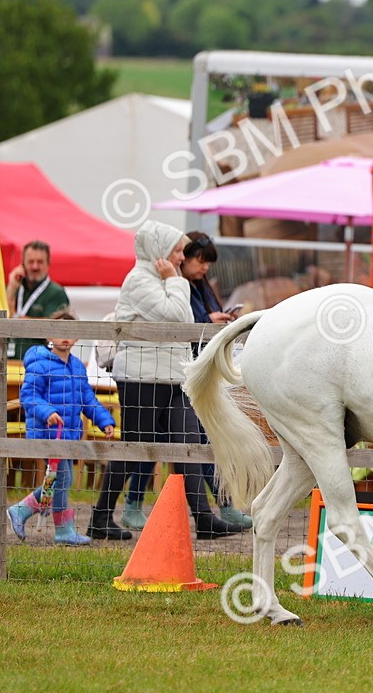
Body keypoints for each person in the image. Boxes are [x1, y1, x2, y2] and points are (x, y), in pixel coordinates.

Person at [87, 220, 244, 540]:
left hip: (174, 375)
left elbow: (183, 318)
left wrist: (173, 281)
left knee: (189, 444)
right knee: (134, 446)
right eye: (175, 251)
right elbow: (176, 315)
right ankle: (100, 518)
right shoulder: (139, 280)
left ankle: (203, 519)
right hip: (142, 378)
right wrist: (175, 280)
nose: (180, 257)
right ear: (158, 251)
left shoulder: (163, 280)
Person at [7, 310, 115, 545]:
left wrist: (104, 420)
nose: (65, 338)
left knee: (59, 480)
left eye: (70, 333)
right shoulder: (39, 363)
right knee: (62, 479)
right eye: (59, 333)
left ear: (77, 338)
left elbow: (88, 399)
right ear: (48, 335)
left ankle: (24, 512)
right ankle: (56, 527)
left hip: (68, 435)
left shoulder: (77, 367)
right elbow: (29, 395)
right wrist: (48, 413)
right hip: (47, 434)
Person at [180, 230, 253, 529]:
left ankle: (224, 507)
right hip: (191, 372)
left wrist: (218, 318)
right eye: (200, 260)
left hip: (203, 371)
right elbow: (186, 323)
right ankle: (220, 508)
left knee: (204, 441)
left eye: (207, 262)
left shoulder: (201, 287)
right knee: (194, 443)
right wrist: (210, 321)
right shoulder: (182, 288)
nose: (205, 267)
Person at [5, 240, 71, 360]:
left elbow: (52, 327)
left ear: (48, 264)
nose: (35, 266)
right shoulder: (14, 287)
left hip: (41, 364)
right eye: (30, 262)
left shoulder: (56, 293)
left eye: (40, 262)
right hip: (9, 361)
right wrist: (10, 290)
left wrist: (15, 317)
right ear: (22, 264)